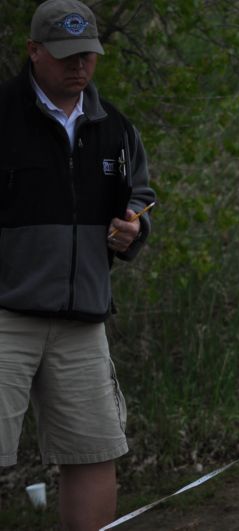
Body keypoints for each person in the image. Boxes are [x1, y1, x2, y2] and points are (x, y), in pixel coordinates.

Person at [0, 0, 155, 529]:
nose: (78, 65)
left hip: (84, 317)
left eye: (87, 54)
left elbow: (141, 198)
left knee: (94, 452)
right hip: (6, 315)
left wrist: (134, 229)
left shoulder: (116, 127)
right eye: (66, 55)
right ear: (34, 52)